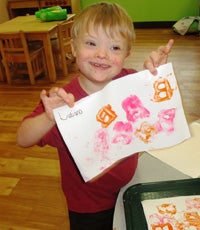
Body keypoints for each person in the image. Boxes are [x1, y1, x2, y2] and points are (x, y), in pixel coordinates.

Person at [17, 2, 174, 230]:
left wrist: (157, 73)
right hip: (88, 206)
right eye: (91, 43)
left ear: (127, 54)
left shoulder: (128, 81)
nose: (102, 54)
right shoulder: (63, 101)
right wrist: (49, 117)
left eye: (115, 48)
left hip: (128, 187)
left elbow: (157, 105)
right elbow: (23, 138)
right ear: (73, 47)